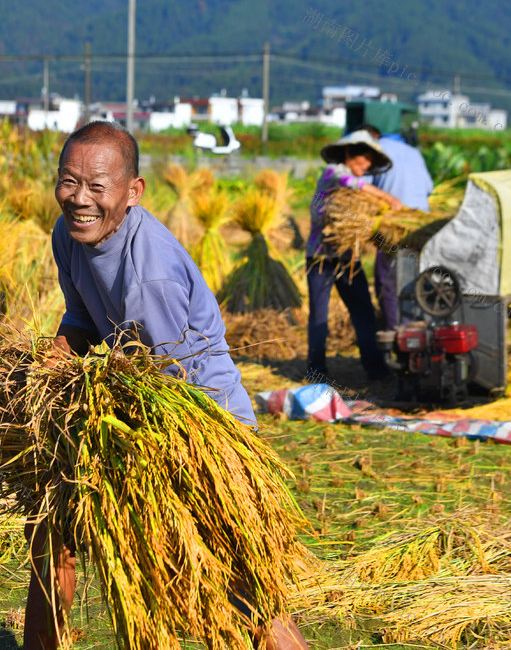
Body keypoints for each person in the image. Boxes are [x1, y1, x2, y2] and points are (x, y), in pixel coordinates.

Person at [23, 120, 309, 650]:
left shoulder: (147, 271)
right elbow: (83, 321)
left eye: (97, 187)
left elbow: (168, 384)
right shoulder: (69, 234)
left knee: (237, 584)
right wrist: (51, 363)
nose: (79, 199)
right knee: (50, 532)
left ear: (133, 193)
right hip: (134, 409)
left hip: (203, 426)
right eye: (68, 182)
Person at [305, 130, 403, 383]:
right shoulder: (333, 173)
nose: (368, 164)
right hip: (320, 257)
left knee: (363, 311)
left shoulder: (358, 195)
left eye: (371, 160)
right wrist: (388, 197)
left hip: (348, 258)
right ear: (349, 153)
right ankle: (316, 372)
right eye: (364, 158)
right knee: (319, 315)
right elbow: (352, 183)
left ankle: (375, 369)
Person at [359, 125, 434, 330]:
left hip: (394, 228)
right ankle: (425, 326)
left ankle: (397, 333)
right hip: (423, 225)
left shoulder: (372, 151)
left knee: (388, 281)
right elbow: (429, 188)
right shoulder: (413, 151)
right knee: (421, 277)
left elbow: (360, 188)